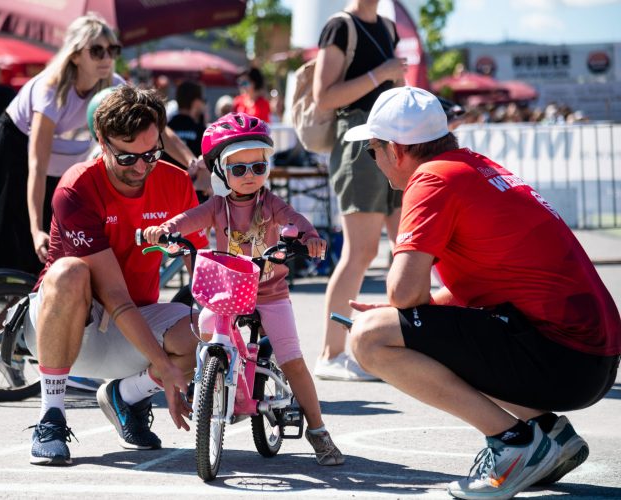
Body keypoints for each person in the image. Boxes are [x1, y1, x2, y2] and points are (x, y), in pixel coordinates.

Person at [343, 86, 620, 499]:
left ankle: (515, 443)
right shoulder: (472, 166)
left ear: (396, 150)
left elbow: (403, 292)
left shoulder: (430, 177)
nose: (376, 162)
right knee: (393, 328)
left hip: (565, 357)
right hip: (587, 358)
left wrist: (396, 320)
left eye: (372, 151)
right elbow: (488, 287)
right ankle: (547, 433)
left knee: (368, 338)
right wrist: (409, 320)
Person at [0, 14, 201, 308]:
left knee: (66, 236)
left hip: (63, 155)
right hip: (15, 151)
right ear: (76, 55)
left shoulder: (113, 84)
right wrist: (35, 229)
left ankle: (48, 309)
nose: (107, 57)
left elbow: (156, 129)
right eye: (97, 50)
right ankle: (13, 317)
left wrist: (192, 162)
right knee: (24, 239)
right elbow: (37, 166)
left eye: (112, 50)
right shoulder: (50, 90)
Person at [142, 112, 345, 466]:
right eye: (238, 169)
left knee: (293, 361)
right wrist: (165, 229)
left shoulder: (271, 204)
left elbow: (295, 220)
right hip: (228, 292)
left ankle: (319, 431)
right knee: (204, 327)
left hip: (270, 293)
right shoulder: (217, 206)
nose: (249, 176)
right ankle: (214, 379)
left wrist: (310, 237)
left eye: (258, 167)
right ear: (221, 171)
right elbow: (189, 218)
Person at [23, 85, 208, 465]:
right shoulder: (77, 186)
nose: (141, 167)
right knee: (71, 272)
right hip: (66, 324)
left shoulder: (175, 183)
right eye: (127, 157)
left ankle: (128, 395)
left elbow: (203, 268)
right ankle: (51, 416)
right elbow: (114, 295)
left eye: (152, 154)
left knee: (209, 329)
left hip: (130, 327)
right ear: (100, 141)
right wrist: (166, 365)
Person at [312, 0, 407, 381]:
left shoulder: (387, 26)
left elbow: (394, 86)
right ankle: (331, 354)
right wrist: (380, 73)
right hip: (358, 140)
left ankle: (406, 342)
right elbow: (324, 97)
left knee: (407, 247)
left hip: (394, 140)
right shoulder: (340, 26)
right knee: (361, 251)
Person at [161, 80, 211, 201]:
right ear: (196, 102)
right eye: (204, 101)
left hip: (166, 193)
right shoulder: (203, 132)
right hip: (195, 196)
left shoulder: (165, 129)